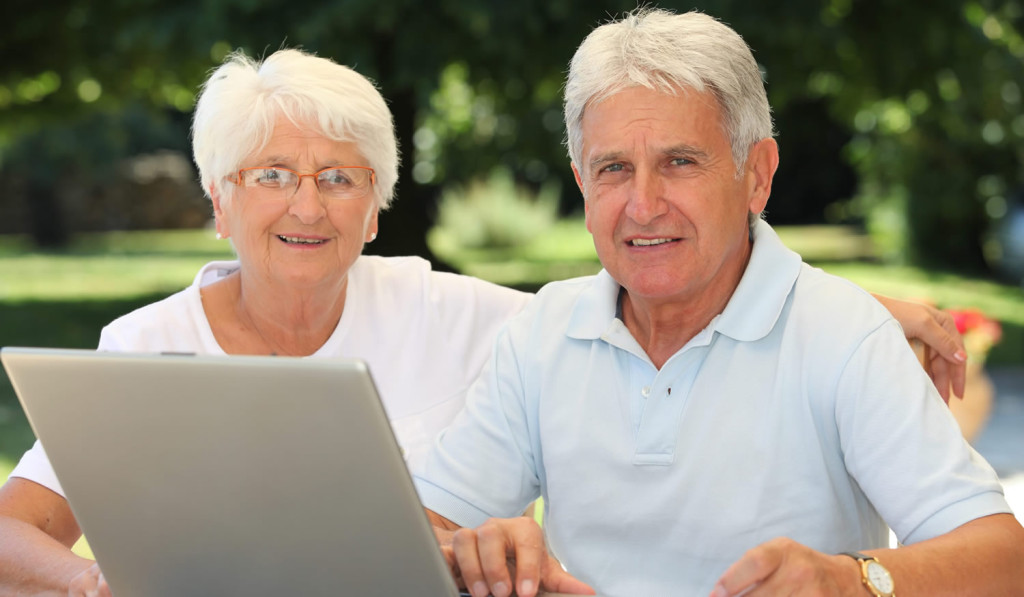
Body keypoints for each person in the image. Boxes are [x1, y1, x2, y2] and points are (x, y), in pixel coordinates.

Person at [0, 46, 971, 596]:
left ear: (375, 207)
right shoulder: (142, 346)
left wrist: (833, 307)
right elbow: (419, 527)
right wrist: (97, 590)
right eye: (269, 177)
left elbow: (665, 289)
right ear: (218, 199)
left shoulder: (453, 310)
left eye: (338, 179)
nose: (305, 206)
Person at [413, 9, 1024, 597]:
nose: (643, 204)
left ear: (757, 174)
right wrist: (469, 555)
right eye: (614, 169)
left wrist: (853, 581)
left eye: (680, 162)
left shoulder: (845, 335)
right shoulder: (544, 332)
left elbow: (1004, 560)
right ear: (581, 183)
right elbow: (422, 527)